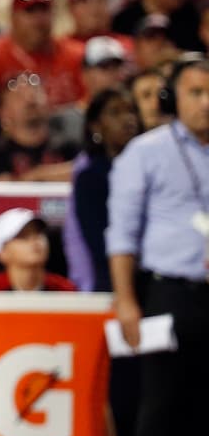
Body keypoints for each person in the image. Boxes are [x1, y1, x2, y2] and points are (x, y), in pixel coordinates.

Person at [107, 56, 209, 436]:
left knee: (203, 414)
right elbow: (122, 234)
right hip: (167, 291)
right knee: (159, 410)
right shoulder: (145, 152)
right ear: (173, 98)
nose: (206, 103)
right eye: (196, 92)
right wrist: (126, 300)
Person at [64, 88, 140, 293]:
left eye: (131, 111)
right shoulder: (90, 177)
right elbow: (98, 243)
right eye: (115, 113)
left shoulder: (150, 170)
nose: (127, 119)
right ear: (95, 126)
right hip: (112, 284)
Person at [0, 208, 75, 292]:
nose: (34, 240)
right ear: (2, 253)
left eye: (38, 233)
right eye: (23, 236)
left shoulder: (64, 289)